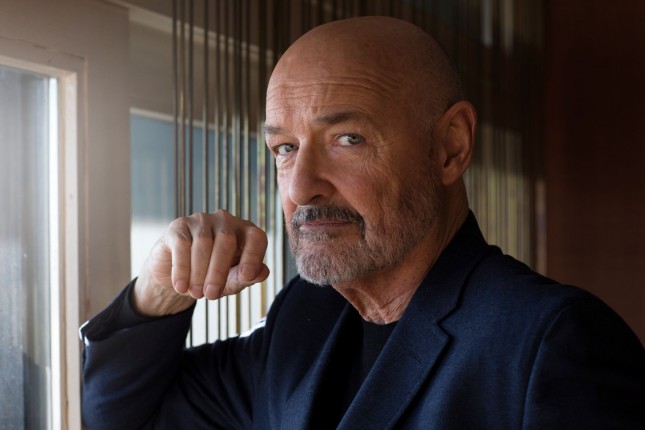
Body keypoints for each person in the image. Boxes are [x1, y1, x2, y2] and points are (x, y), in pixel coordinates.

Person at [80, 16, 644, 429]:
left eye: (347, 139)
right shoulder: (305, 318)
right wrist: (160, 292)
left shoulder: (552, 342)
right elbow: (123, 418)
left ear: (451, 147)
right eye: (284, 148)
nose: (300, 188)